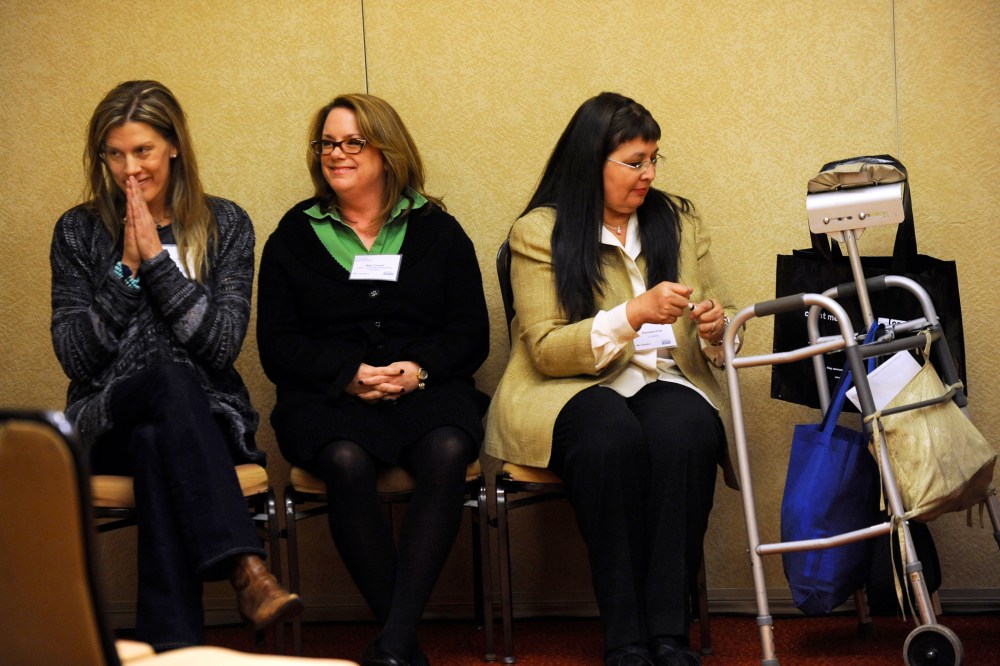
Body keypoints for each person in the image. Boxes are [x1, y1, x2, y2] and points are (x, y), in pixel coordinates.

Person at [484, 92, 741, 666]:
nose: (648, 174)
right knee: (610, 439)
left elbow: (725, 317)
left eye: (653, 159)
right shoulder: (539, 231)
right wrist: (632, 315)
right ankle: (625, 637)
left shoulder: (679, 220)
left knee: (687, 434)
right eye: (634, 162)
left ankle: (668, 633)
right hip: (570, 387)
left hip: (664, 378)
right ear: (590, 161)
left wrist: (715, 328)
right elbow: (546, 349)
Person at [49, 80, 302, 652]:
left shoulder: (225, 224)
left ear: (173, 146)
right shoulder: (77, 231)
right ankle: (245, 566)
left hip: (207, 422)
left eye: (141, 150)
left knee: (158, 434)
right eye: (114, 154)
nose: (129, 169)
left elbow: (220, 345)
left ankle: (172, 648)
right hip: (106, 419)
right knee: (164, 384)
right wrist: (125, 269)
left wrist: (156, 263)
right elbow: (76, 356)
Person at [256, 93, 490, 666]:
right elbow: (277, 344)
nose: (336, 154)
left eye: (353, 142)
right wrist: (345, 374)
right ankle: (401, 641)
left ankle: (392, 643)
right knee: (344, 459)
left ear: (387, 152)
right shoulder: (293, 235)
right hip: (328, 398)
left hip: (424, 390)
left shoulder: (438, 231)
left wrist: (418, 370)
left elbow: (471, 333)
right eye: (327, 143)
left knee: (448, 448)